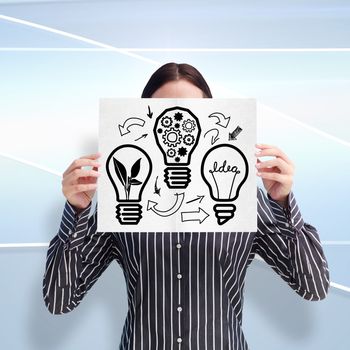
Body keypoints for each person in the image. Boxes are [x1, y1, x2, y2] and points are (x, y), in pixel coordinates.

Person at [42, 62, 330, 350]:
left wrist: (282, 203)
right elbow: (59, 300)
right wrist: (76, 212)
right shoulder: (123, 199)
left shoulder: (242, 199)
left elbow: (313, 286)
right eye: (163, 112)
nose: (177, 125)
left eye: (192, 113)